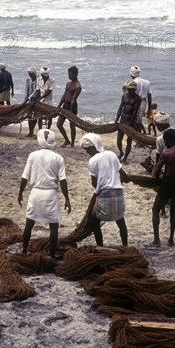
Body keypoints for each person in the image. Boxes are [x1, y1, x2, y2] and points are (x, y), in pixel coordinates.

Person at [18, 129, 71, 259]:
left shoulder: (33, 155)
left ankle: (24, 250)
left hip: (35, 193)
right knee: (53, 226)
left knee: (29, 224)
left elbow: (25, 177)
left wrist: (20, 193)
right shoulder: (58, 158)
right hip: (50, 195)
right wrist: (67, 199)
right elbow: (63, 180)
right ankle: (52, 255)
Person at [79, 133, 129, 246]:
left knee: (94, 222)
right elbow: (123, 175)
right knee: (120, 221)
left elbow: (94, 182)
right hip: (119, 193)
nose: (87, 152)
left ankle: (100, 246)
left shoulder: (92, 161)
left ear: (93, 147)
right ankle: (125, 245)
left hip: (105, 195)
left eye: (87, 149)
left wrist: (99, 188)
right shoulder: (111, 154)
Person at [151, 129, 175, 247]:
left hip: (168, 183)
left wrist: (156, 180)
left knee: (155, 209)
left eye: (165, 141)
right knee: (173, 211)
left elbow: (156, 172)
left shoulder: (167, 152)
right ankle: (171, 239)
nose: (164, 143)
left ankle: (157, 239)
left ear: (169, 140)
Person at [115, 81, 141, 163]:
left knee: (129, 141)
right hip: (123, 117)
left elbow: (135, 111)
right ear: (127, 89)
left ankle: (125, 157)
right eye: (129, 89)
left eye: (132, 90)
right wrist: (116, 119)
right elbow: (120, 108)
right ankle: (121, 153)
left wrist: (129, 124)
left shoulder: (138, 98)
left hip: (131, 119)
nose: (131, 91)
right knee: (119, 139)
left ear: (135, 90)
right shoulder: (124, 96)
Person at [56, 66, 82, 148]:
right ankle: (67, 140)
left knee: (72, 126)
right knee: (59, 124)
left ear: (75, 74)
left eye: (70, 74)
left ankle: (72, 143)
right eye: (68, 74)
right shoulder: (68, 84)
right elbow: (64, 95)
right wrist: (59, 106)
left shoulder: (78, 86)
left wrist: (70, 112)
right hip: (65, 105)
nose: (68, 76)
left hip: (72, 107)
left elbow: (73, 99)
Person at [129, 66, 151, 134]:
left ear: (131, 74)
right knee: (139, 120)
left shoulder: (132, 83)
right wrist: (149, 109)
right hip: (144, 102)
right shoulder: (147, 82)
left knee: (135, 121)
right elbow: (149, 96)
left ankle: (139, 138)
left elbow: (129, 96)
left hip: (135, 102)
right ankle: (141, 135)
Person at [24, 67, 39, 138]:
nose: (30, 75)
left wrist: (30, 98)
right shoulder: (28, 79)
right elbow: (26, 90)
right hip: (29, 100)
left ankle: (32, 131)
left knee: (35, 116)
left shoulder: (38, 80)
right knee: (29, 115)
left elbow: (36, 90)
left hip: (36, 100)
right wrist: (25, 99)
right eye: (29, 74)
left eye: (31, 74)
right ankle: (30, 132)